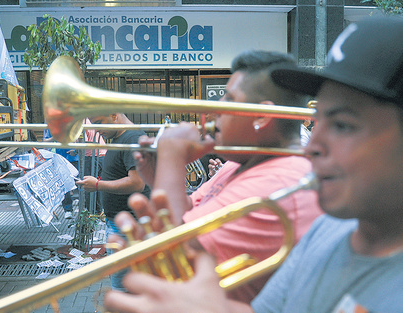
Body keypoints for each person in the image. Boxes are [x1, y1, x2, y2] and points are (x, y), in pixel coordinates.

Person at [104, 16, 403, 313]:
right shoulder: (327, 231)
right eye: (318, 119)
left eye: (342, 125)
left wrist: (171, 158)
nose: (311, 147)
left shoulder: (282, 182)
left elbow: (178, 253)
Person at [113, 50, 323, 304]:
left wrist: (173, 158)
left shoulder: (281, 182)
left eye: (229, 99)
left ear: (261, 116)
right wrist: (160, 175)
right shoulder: (238, 165)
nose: (214, 110)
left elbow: (176, 260)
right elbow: (189, 211)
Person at [76, 113, 151, 291]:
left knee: (122, 288)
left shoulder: (132, 139)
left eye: (99, 122)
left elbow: (136, 183)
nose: (96, 130)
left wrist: (98, 185)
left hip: (128, 226)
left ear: (114, 115)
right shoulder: (123, 137)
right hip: (123, 224)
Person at [42, 128, 78, 219]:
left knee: (79, 183)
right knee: (64, 184)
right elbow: (45, 141)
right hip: (60, 158)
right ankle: (68, 209)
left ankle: (84, 208)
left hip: (74, 157)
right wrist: (54, 138)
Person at [83, 118, 106, 213]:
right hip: (101, 154)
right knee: (98, 183)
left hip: (93, 155)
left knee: (89, 184)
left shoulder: (80, 122)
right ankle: (98, 210)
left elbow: (84, 141)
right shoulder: (85, 120)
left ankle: (92, 211)